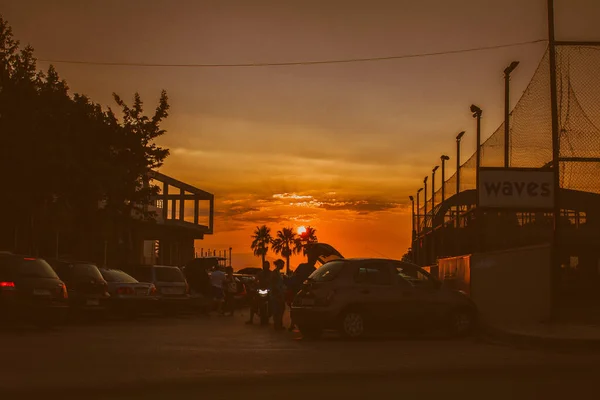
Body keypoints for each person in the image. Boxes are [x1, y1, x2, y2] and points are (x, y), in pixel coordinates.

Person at [286, 259, 317, 331]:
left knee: (296, 309)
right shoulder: (310, 268)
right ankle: (294, 324)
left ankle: (294, 324)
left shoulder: (305, 267)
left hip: (301, 292)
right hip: (301, 292)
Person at [246, 261, 271, 325]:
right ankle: (251, 319)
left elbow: (273, 281)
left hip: (268, 290)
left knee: (273, 302)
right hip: (260, 290)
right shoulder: (260, 273)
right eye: (264, 265)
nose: (265, 267)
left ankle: (273, 315)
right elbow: (255, 279)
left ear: (269, 266)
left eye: (266, 265)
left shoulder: (271, 273)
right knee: (253, 303)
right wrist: (253, 283)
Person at [270, 259, 286, 331]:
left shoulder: (278, 273)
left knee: (280, 309)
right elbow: (273, 284)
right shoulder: (274, 273)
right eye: (282, 264)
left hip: (279, 293)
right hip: (276, 294)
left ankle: (279, 324)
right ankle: (277, 325)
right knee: (277, 310)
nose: (283, 266)